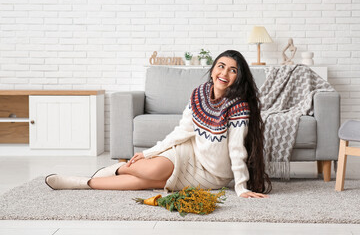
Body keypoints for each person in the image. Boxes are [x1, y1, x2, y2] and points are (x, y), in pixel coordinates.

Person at [45, 50, 272, 198]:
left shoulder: (238, 106)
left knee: (146, 181)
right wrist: (147, 153)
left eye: (233, 70)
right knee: (152, 169)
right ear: (212, 70)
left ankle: (91, 180)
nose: (225, 73)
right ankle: (97, 176)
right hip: (188, 152)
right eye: (221, 66)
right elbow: (182, 132)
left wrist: (241, 186)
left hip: (212, 174)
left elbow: (236, 149)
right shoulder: (199, 94)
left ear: (238, 77)